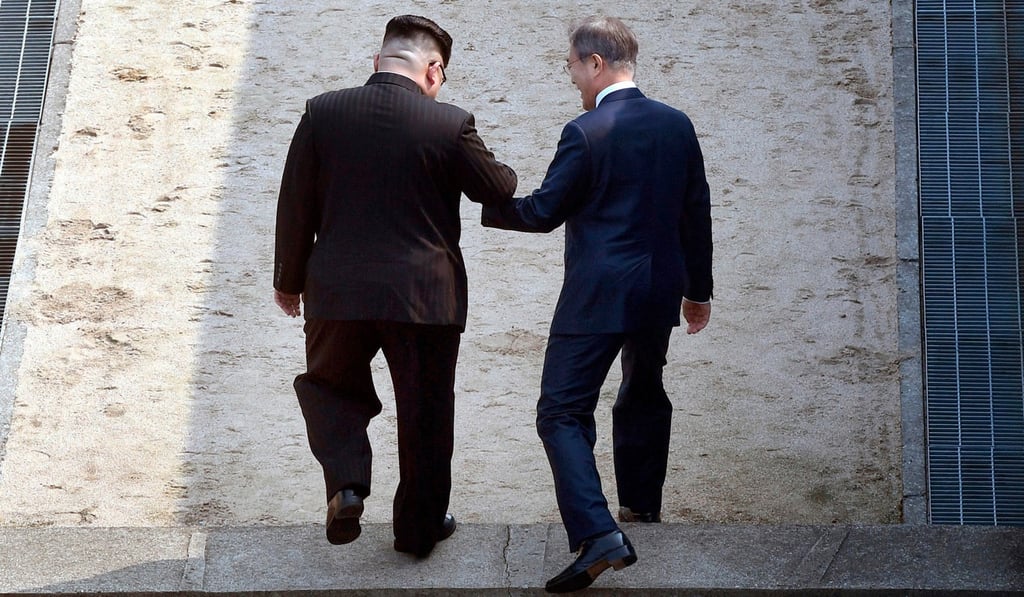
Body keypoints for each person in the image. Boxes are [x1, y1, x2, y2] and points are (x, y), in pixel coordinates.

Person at [482, 16, 713, 593]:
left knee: (560, 411)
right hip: (659, 288)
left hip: (596, 294)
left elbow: (542, 212)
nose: (571, 78)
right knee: (643, 388)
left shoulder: (586, 131)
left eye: (571, 66)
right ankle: (640, 506)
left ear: (596, 63)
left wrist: (488, 198)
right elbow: (696, 213)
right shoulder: (677, 125)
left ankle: (598, 532)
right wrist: (698, 291)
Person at [274, 14, 517, 558]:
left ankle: (346, 483)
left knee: (330, 387)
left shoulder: (322, 112)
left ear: (376, 61)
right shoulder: (449, 124)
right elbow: (496, 187)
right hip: (425, 297)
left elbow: (295, 205)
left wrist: (288, 282)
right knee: (426, 412)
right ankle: (417, 530)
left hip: (336, 292)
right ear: (434, 70)